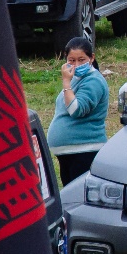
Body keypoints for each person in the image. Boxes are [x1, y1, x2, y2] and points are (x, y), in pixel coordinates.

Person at [47, 37, 109, 186]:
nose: (76, 65)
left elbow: (76, 109)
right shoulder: (77, 78)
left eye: (81, 60)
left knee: (77, 200)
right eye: (72, 60)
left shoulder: (93, 81)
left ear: (91, 58)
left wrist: (66, 83)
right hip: (70, 154)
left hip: (84, 152)